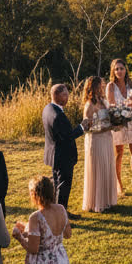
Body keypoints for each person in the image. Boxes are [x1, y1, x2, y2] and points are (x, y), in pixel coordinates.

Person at [42, 82, 87, 218]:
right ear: (57, 95)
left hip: (54, 154)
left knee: (57, 185)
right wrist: (82, 127)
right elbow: (68, 137)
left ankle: (61, 211)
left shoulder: (48, 108)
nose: (68, 97)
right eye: (65, 94)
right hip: (62, 156)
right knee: (63, 187)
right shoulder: (57, 115)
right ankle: (61, 216)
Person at [107, 58, 132, 194]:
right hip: (118, 121)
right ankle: (118, 182)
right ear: (113, 71)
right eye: (116, 69)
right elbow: (111, 105)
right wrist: (126, 106)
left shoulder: (130, 84)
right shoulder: (110, 86)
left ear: (125, 70)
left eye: (121, 68)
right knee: (119, 152)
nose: (119, 71)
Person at [82, 75, 118, 213]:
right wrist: (105, 128)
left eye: (103, 85)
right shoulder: (89, 105)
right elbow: (87, 128)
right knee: (99, 167)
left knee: (107, 166)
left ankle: (108, 199)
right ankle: (97, 201)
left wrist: (117, 123)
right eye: (100, 86)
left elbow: (109, 117)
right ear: (93, 87)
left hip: (107, 138)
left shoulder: (104, 101)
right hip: (96, 140)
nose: (102, 87)